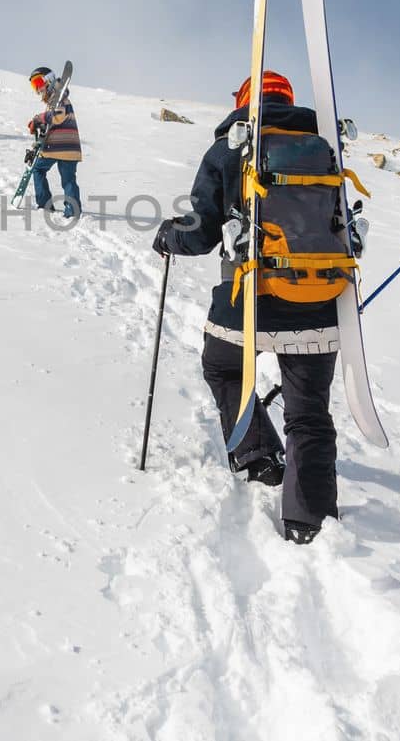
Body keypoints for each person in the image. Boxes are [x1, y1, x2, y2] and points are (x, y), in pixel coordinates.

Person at [152, 70, 353, 546]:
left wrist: (168, 236)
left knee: (224, 370)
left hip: (249, 301)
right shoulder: (325, 150)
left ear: (244, 102)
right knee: (309, 414)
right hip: (319, 303)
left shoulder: (229, 148)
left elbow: (200, 234)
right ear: (289, 100)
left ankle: (258, 456)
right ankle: (312, 522)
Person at [26, 66, 81, 219]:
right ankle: (73, 209)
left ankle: (45, 204)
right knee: (68, 179)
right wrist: (38, 126)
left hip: (58, 147)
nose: (37, 89)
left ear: (48, 80)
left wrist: (38, 118)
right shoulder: (54, 100)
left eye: (38, 83)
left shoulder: (60, 97)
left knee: (38, 170)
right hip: (68, 147)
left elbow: (58, 116)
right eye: (34, 86)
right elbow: (52, 121)